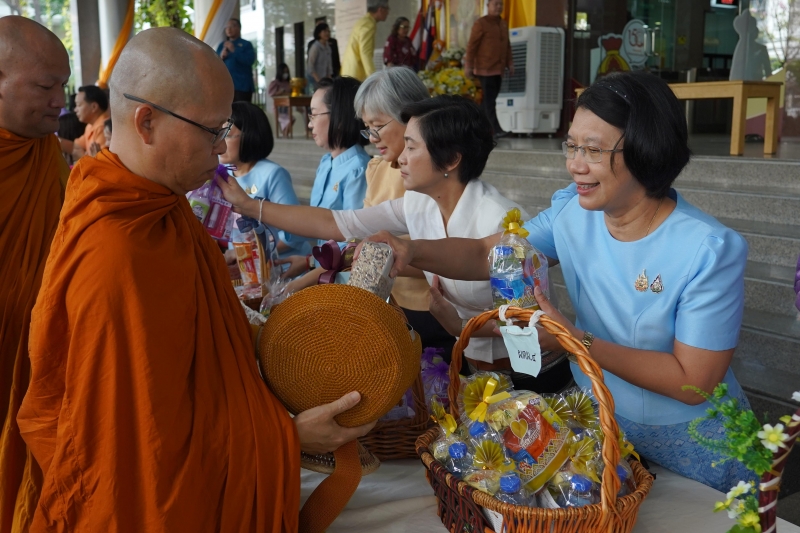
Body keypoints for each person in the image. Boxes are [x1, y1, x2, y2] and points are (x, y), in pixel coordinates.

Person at [17, 27, 376, 531]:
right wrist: (288, 437)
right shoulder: (115, 252)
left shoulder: (161, 209)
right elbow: (137, 453)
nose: (224, 145)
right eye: (212, 130)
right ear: (146, 122)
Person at [367, 71, 756, 492]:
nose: (575, 164)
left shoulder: (708, 248)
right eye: (571, 146)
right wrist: (411, 250)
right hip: (601, 421)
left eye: (593, 149)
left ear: (647, 149)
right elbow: (487, 254)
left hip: (696, 441)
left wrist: (574, 340)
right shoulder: (573, 213)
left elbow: (693, 382)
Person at [218, 96, 573, 394]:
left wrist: (456, 326)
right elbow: (337, 223)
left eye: (412, 147)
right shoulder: (419, 204)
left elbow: (525, 328)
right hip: (476, 369)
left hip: (531, 376)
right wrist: (250, 206)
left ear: (451, 160)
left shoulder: (501, 222)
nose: (400, 157)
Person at [0, 16, 71, 532]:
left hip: (43, 360)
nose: (59, 102)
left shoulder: (47, 153)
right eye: (46, 87)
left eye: (63, 86)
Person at [218, 101, 311, 270]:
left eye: (228, 135)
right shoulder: (223, 174)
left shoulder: (272, 174)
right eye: (218, 133)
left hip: (283, 269)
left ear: (249, 135)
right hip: (246, 269)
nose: (220, 141)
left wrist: (247, 253)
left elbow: (295, 234)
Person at [464, 0, 513, 139]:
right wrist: (468, 65)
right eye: (495, 4)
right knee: (490, 101)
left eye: (500, 4)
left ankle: (476, 129)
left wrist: (510, 63)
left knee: (487, 101)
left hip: (499, 69)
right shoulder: (481, 23)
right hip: (485, 69)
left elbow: (507, 46)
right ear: (488, 6)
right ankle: (495, 129)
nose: (499, 7)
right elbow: (471, 46)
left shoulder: (503, 23)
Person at [341, 0, 390, 81]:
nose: (388, 13)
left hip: (350, 71)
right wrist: (373, 77)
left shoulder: (364, 21)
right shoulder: (368, 24)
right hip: (356, 74)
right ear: (380, 9)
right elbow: (365, 52)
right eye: (387, 9)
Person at [59, 84, 110, 160]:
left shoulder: (103, 128)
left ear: (94, 107)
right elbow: (76, 146)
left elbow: (101, 162)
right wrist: (53, 139)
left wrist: (82, 157)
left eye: (79, 105)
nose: (75, 110)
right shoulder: (90, 126)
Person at [216, 18, 255, 103]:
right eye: (227, 27)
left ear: (239, 28)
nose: (229, 29)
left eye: (232, 26)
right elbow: (214, 64)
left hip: (242, 86)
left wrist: (234, 50)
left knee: (242, 109)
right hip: (226, 86)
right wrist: (221, 57)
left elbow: (249, 60)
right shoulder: (222, 45)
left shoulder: (246, 44)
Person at [268, 62, 295, 136]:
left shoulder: (288, 83)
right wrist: (280, 92)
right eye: (284, 72)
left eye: (287, 72)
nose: (285, 74)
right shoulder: (275, 83)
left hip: (287, 108)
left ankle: (285, 133)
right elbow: (271, 94)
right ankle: (285, 133)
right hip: (278, 108)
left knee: (292, 119)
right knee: (288, 120)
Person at [307, 22, 333, 92]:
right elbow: (310, 67)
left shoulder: (328, 47)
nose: (327, 33)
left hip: (324, 81)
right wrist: (319, 81)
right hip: (313, 80)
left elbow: (329, 67)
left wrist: (329, 81)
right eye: (325, 31)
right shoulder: (315, 47)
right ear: (319, 33)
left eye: (328, 31)